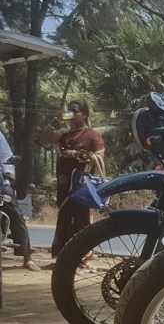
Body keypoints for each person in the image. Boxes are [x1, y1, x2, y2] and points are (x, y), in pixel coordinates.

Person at [42, 99, 105, 258]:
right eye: (69, 111)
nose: (71, 114)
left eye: (75, 111)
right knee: (64, 215)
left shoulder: (93, 136)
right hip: (64, 182)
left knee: (81, 216)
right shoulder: (64, 134)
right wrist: (56, 120)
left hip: (80, 183)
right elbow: (44, 140)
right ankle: (64, 254)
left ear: (84, 114)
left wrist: (78, 155)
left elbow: (99, 156)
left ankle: (83, 255)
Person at [0, 129, 38, 271]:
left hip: (1, 183)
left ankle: (27, 257)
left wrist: (8, 173)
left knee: (16, 215)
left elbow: (6, 156)